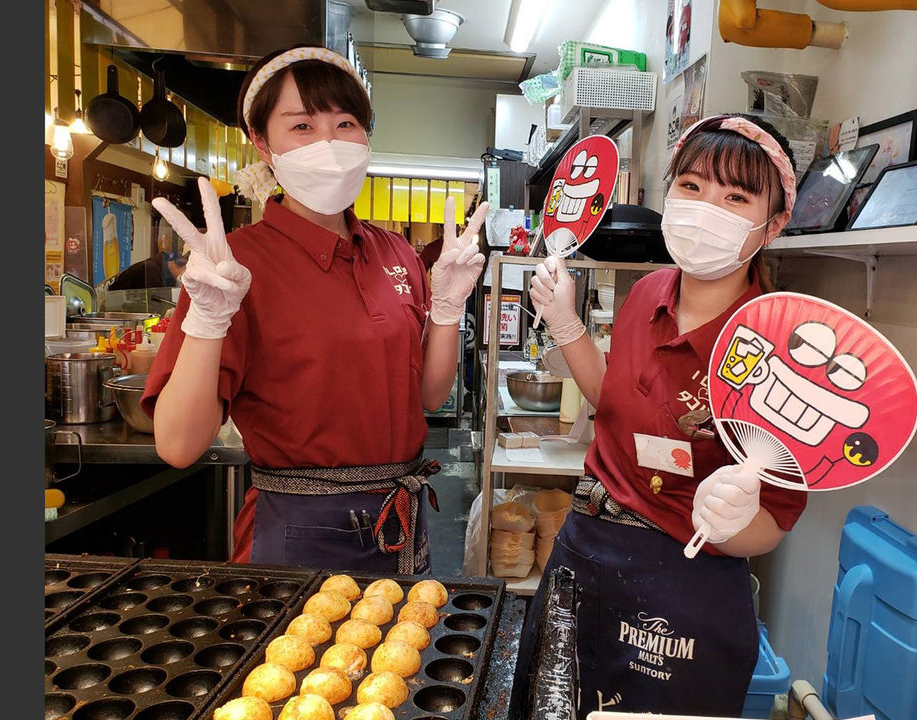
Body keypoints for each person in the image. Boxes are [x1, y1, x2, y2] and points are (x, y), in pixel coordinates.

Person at [142, 45, 489, 574]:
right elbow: (178, 445)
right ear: (262, 143)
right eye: (302, 126)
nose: (329, 142)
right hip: (298, 529)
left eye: (345, 122)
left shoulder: (395, 251)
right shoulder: (232, 268)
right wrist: (209, 319)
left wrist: (447, 307)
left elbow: (428, 395)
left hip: (400, 518)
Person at [511, 114, 808, 718]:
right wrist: (567, 325)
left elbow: (773, 524)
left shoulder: (783, 346)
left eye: (736, 197)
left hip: (685, 581)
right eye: (692, 186)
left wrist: (733, 521)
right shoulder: (647, 292)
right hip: (585, 548)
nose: (706, 209)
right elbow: (616, 403)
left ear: (773, 224)